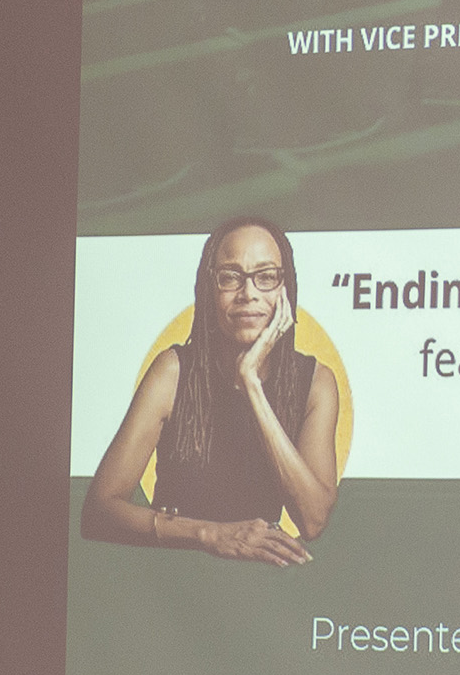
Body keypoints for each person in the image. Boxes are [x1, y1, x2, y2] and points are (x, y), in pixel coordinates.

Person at [80, 217, 340, 567]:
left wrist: (251, 383)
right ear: (210, 289)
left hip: (261, 587)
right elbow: (99, 512)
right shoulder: (173, 372)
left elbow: (312, 520)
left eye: (266, 277)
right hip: (175, 582)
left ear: (286, 289)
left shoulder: (316, 382)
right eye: (230, 277)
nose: (248, 293)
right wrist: (209, 534)